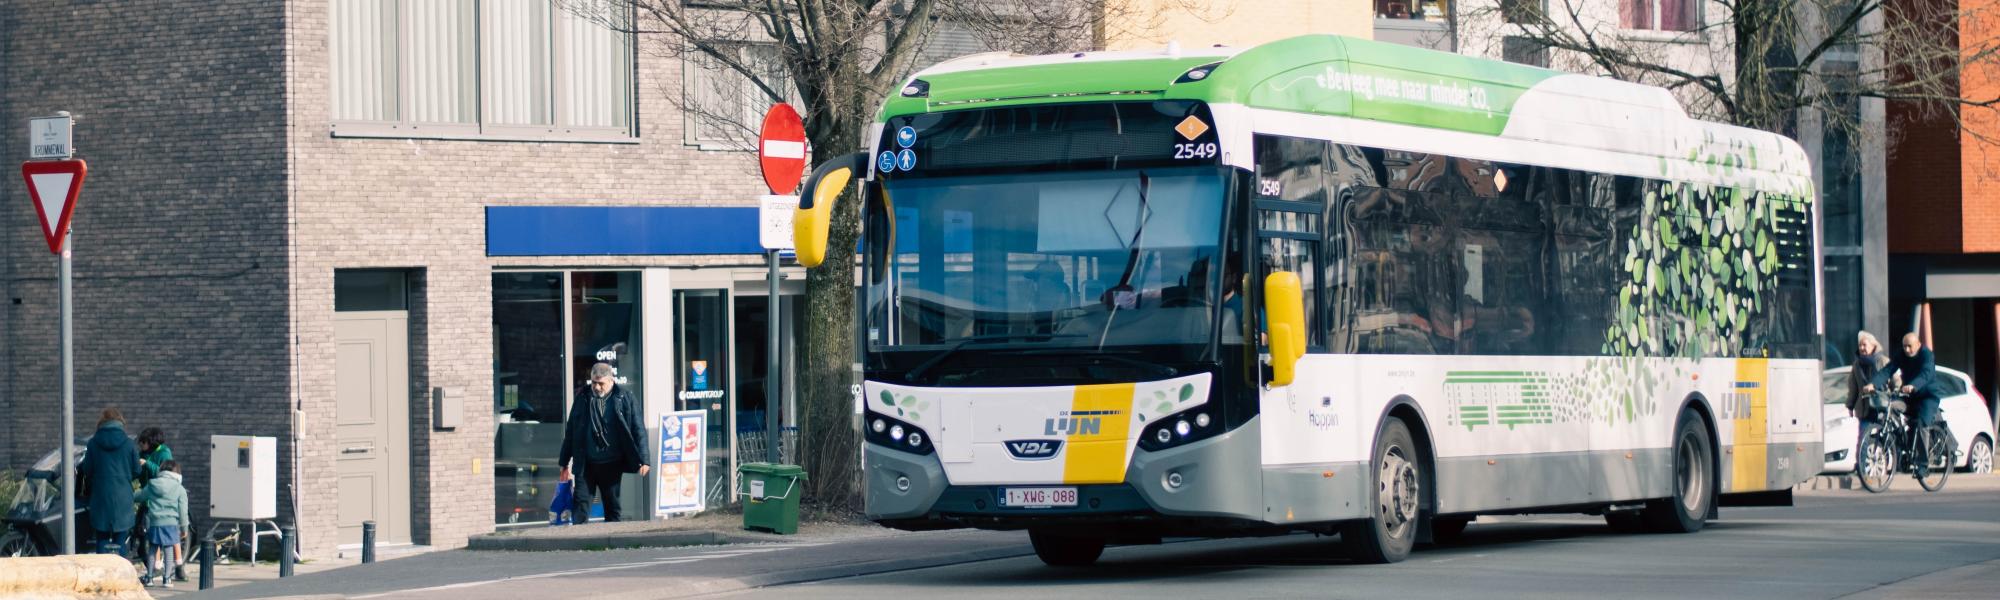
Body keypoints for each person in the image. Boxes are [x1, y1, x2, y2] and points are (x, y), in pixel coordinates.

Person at [558, 363, 649, 522]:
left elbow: (638, 429)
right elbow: (571, 431)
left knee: (613, 508)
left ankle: (613, 544)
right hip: (586, 465)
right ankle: (581, 543)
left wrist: (644, 460)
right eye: (594, 383)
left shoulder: (625, 398)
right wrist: (564, 462)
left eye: (601, 383)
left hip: (612, 464)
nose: (597, 387)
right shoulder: (582, 398)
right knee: (580, 506)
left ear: (611, 381)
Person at [1868, 333, 1942, 470]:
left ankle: (1922, 465)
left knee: (1921, 425)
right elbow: (1888, 370)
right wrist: (1873, 384)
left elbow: (1926, 373)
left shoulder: (1927, 355)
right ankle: (1902, 443)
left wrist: (1913, 385)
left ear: (1918, 345)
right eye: (1904, 346)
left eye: (1910, 346)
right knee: (1891, 406)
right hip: (1909, 397)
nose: (1907, 350)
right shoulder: (1901, 355)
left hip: (1927, 397)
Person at [77, 407, 140, 556]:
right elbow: (137, 470)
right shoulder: (129, 444)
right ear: (120, 422)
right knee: (121, 540)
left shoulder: (93, 443)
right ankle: (122, 575)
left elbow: (87, 470)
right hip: (123, 497)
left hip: (100, 496)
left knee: (102, 538)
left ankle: (103, 574)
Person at [135, 460, 189, 588]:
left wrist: (127, 494)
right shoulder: (179, 488)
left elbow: (139, 496)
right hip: (171, 523)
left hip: (154, 523)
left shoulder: (152, 484)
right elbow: (183, 510)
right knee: (169, 549)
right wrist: (184, 527)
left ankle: (149, 578)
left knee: (153, 549)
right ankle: (167, 579)